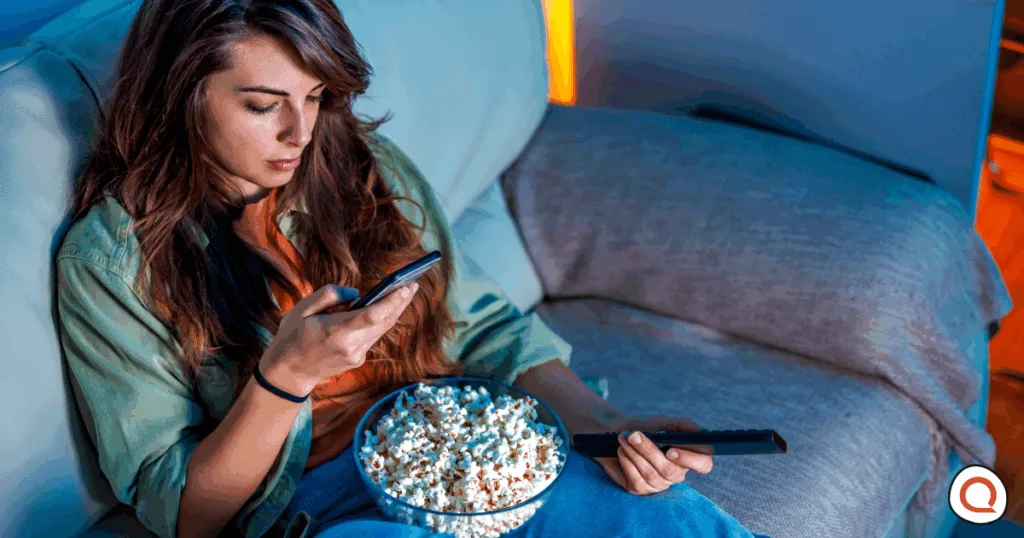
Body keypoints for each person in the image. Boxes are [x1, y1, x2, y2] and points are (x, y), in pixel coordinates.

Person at [54, 0, 767, 537]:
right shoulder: (111, 263)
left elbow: (482, 327)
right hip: (327, 505)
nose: (300, 133)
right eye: (264, 106)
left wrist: (609, 429)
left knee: (663, 516)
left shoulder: (357, 166)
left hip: (472, 440)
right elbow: (186, 515)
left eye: (314, 97)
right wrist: (284, 378)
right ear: (180, 96)